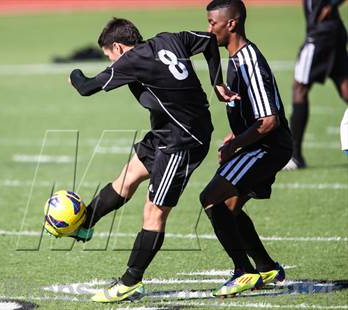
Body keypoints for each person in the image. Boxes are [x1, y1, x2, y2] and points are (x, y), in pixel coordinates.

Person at [68, 17, 238, 302]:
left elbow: (85, 87)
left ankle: (130, 281)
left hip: (182, 140)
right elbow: (209, 42)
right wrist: (216, 81)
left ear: (119, 47)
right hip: (165, 132)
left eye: (108, 55)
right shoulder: (169, 38)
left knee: (154, 211)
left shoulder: (130, 60)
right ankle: (84, 225)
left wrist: (72, 73)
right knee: (127, 177)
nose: (110, 62)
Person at [199, 0, 292, 297]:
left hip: (267, 147)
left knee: (211, 199)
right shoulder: (236, 57)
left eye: (212, 23)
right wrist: (235, 133)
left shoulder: (248, 59)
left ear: (232, 24)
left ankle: (244, 272)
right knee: (230, 207)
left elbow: (268, 121)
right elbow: (255, 112)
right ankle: (265, 266)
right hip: (262, 144)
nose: (208, 30)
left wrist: (235, 145)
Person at [286, 0, 348, 170]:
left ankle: (295, 157)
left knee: (299, 87)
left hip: (322, 34)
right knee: (345, 88)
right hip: (331, 31)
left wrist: (331, 5)